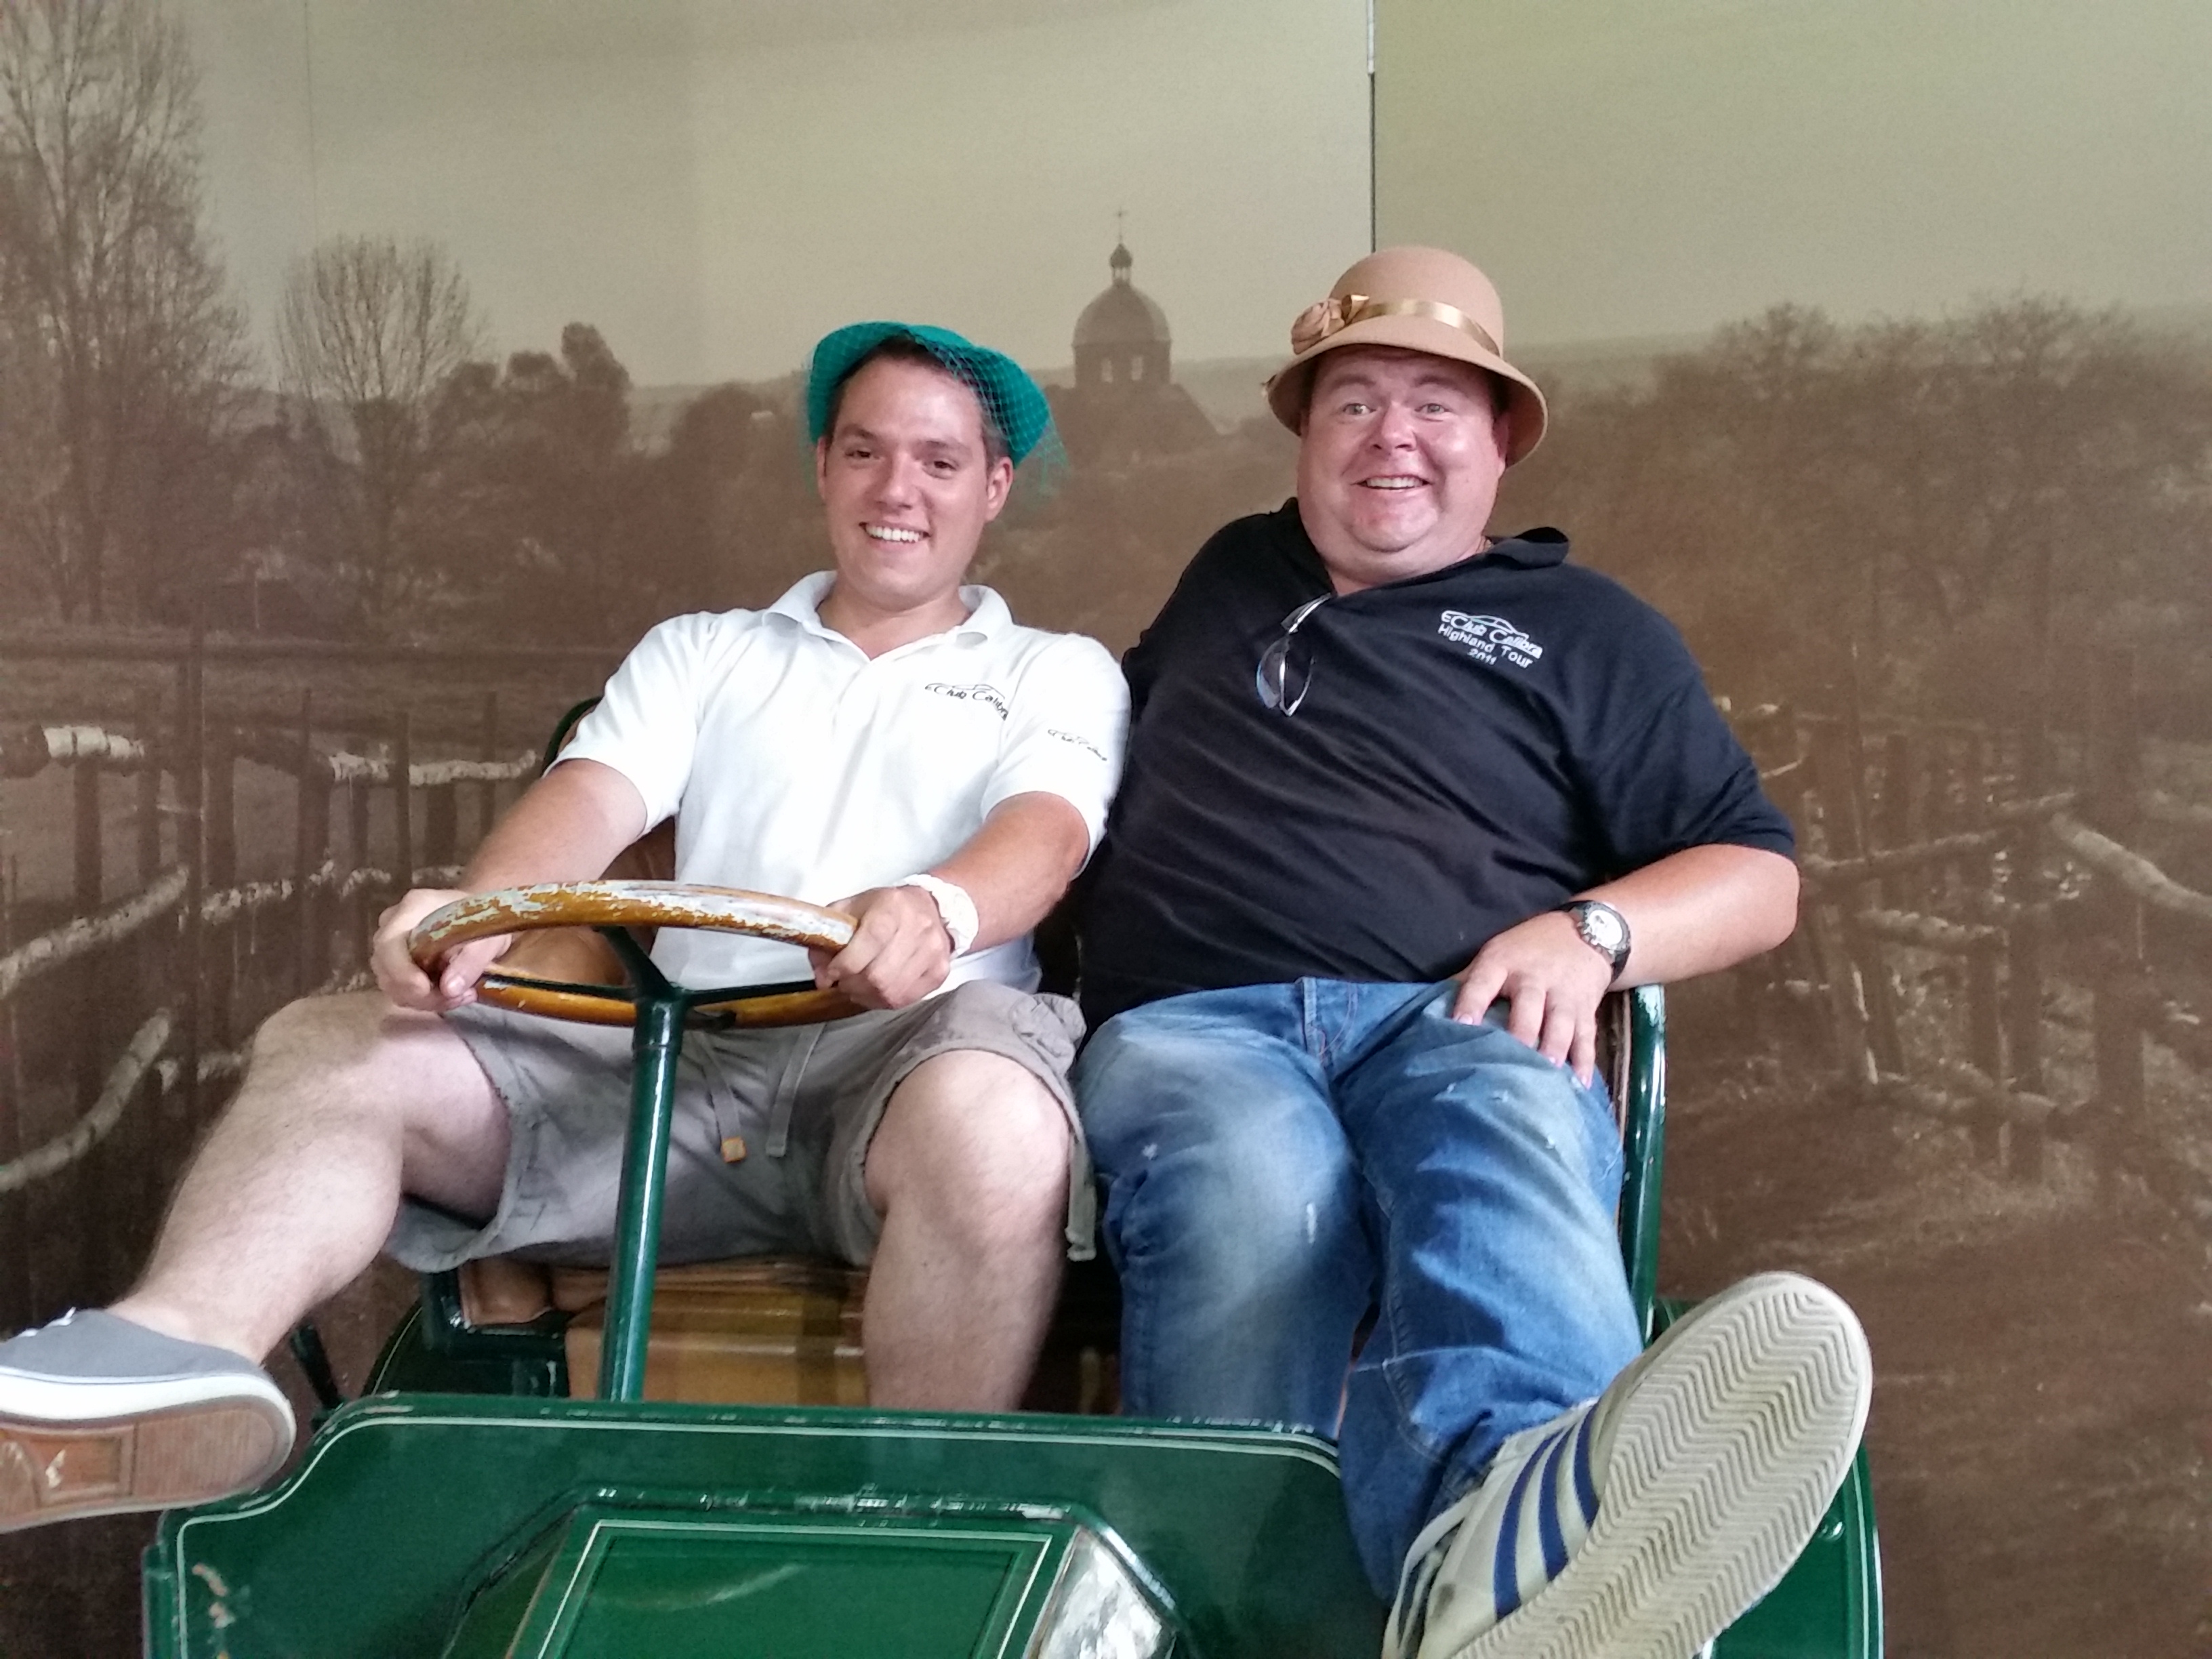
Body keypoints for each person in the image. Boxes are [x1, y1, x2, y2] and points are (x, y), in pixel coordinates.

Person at [0, 322, 1128, 1532]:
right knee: (331, 1042)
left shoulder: (1056, 671)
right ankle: (177, 1360)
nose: (897, 489)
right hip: (672, 1075)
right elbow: (590, 801)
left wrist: (935, 908)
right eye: (865, 451)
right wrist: (479, 913)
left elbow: (1045, 834)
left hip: (908, 1066)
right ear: (822, 466)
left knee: (1001, 1119)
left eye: (939, 462)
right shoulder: (706, 652)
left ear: (993, 487)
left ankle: (919, 1534)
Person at [1073, 247, 1872, 1659]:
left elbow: (1758, 876)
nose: (1393, 435)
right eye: (1354, 402)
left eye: (1436, 403)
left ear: (1501, 439)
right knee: (1260, 1181)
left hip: (1454, 1012)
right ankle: (1219, 1615)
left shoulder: (1590, 632)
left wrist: (1596, 931)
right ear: (1305, 438)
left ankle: (1510, 1563)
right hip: (1200, 1025)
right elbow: (1071, 772)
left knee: (1510, 1119)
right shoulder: (1231, 575)